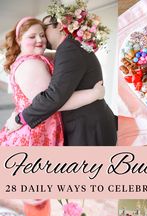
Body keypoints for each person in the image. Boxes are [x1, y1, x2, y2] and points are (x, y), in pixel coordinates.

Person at [10, 2, 117, 146]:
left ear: (60, 25)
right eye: (33, 36)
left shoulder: (68, 50)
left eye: (43, 31)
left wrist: (20, 118)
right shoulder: (69, 47)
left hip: (86, 128)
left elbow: (54, 97)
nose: (42, 38)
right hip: (88, 124)